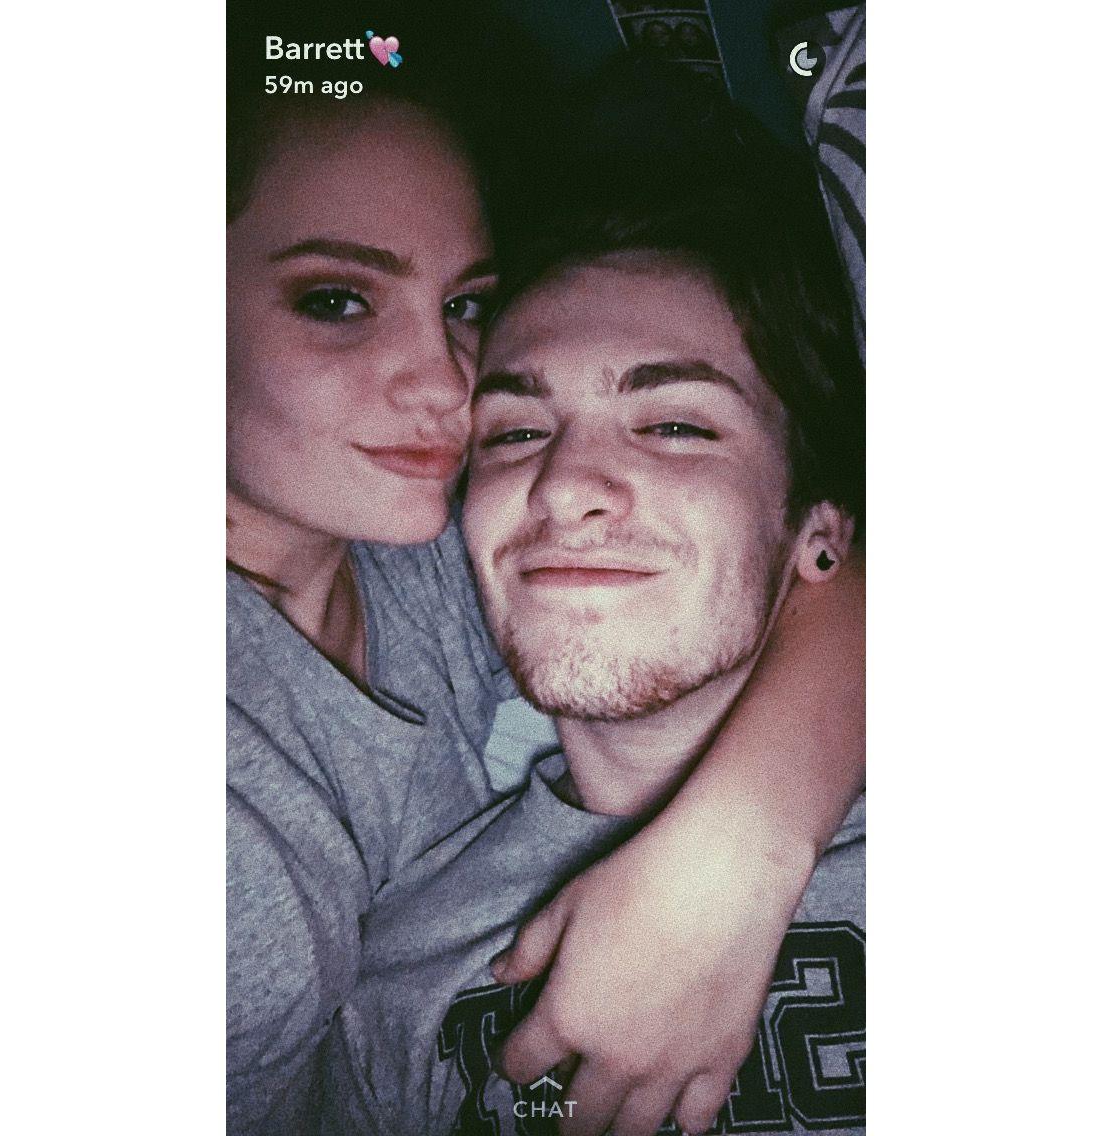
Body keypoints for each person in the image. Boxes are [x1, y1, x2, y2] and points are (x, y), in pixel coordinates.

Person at [227, 4, 864, 1132]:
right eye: (516, 431)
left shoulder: (405, 535)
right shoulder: (377, 970)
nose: (446, 386)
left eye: (674, 426)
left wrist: (742, 845)